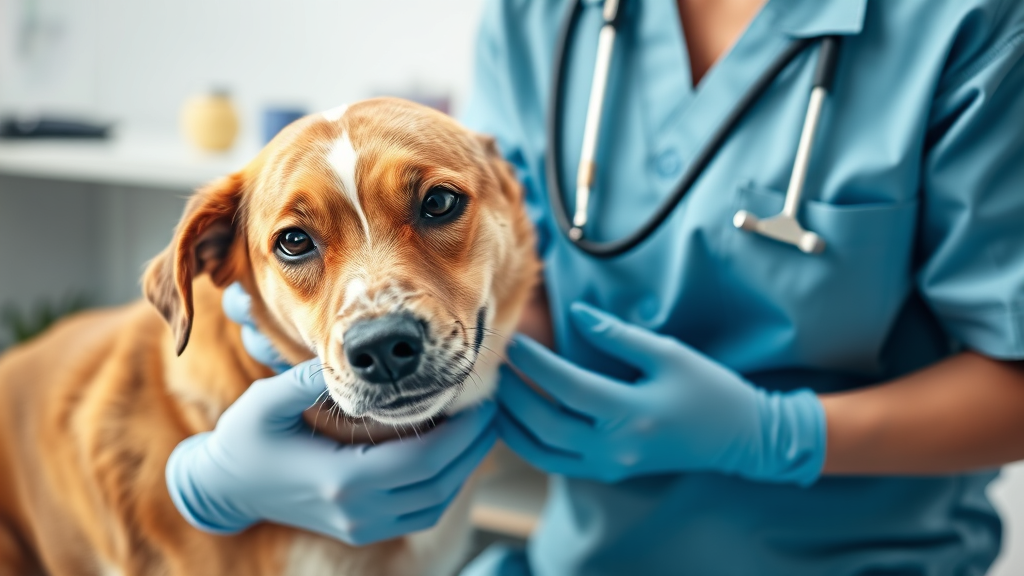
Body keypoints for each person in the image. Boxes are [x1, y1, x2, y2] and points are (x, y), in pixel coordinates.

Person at [166, 0, 1024, 574]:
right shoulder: (542, 16)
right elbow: (515, 267)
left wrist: (772, 435)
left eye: (432, 204)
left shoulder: (970, 26)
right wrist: (214, 482)